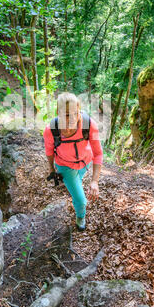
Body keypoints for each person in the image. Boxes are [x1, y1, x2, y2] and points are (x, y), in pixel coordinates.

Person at [43, 92, 103, 231]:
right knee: (81, 200)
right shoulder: (51, 130)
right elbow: (49, 151)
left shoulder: (89, 125)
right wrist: (51, 169)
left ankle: (75, 187)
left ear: (79, 111)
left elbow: (98, 153)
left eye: (75, 114)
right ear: (58, 112)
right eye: (66, 115)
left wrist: (94, 181)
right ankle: (80, 216)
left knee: (77, 185)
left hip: (85, 162)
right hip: (64, 165)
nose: (71, 119)